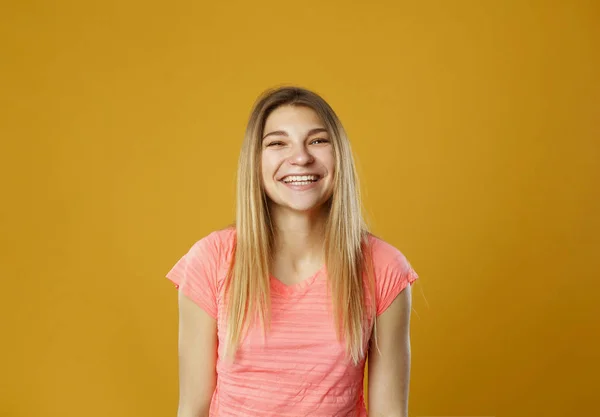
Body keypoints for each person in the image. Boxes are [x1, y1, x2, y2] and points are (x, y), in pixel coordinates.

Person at [166, 86, 418, 417]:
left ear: (338, 155)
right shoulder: (210, 260)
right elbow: (192, 407)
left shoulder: (383, 267)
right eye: (277, 143)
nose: (300, 157)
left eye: (317, 140)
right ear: (255, 162)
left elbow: (390, 413)